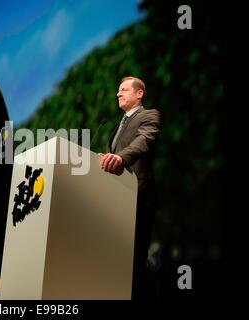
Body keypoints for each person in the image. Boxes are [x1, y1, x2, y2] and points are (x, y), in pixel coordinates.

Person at [99, 76, 161, 300]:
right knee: (118, 261)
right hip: (116, 200)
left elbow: (144, 140)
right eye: (118, 90)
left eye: (123, 89)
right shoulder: (116, 126)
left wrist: (119, 158)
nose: (118, 93)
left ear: (139, 94)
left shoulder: (150, 115)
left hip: (138, 197)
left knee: (135, 262)